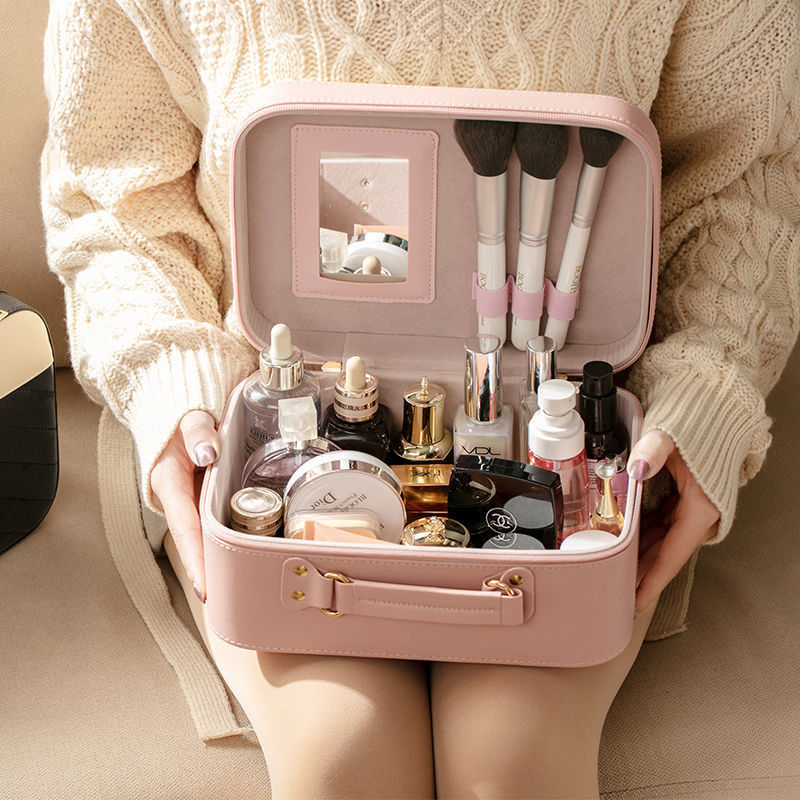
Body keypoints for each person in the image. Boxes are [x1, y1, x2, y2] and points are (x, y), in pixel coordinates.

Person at [41, 1, 800, 797]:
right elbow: (111, 199)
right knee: (345, 752)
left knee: (510, 763)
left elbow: (751, 184)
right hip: (262, 417)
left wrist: (709, 389)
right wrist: (171, 383)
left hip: (577, 425)